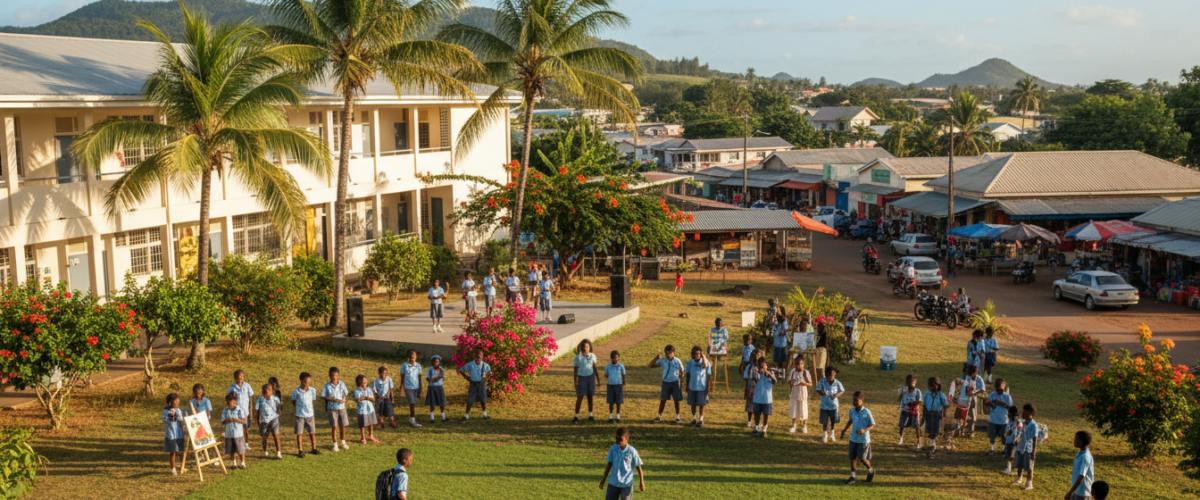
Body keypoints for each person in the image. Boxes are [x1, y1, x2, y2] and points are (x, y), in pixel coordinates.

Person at [840, 391, 876, 484]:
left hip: (863, 440)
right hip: (853, 438)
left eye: (856, 400)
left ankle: (871, 469)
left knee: (862, 458)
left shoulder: (867, 412)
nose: (854, 402)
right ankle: (853, 476)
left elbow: (872, 424)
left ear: (862, 400)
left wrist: (864, 430)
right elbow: (850, 420)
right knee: (852, 457)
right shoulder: (851, 411)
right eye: (853, 400)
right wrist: (844, 430)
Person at [599, 428, 645, 500]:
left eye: (620, 439)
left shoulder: (632, 451)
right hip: (613, 483)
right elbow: (609, 465)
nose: (618, 441)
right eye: (616, 439)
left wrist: (641, 482)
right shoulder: (613, 449)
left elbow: (638, 467)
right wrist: (603, 480)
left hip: (626, 485)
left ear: (627, 438)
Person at [649, 345, 685, 424]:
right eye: (667, 353)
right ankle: (659, 416)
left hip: (675, 382)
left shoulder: (677, 361)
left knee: (677, 400)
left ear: (673, 353)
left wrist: (681, 375)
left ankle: (678, 417)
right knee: (663, 400)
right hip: (666, 383)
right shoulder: (663, 361)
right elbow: (650, 365)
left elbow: (682, 371)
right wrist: (656, 357)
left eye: (670, 353)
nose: (668, 355)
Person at [291, 372, 320, 458]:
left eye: (308, 381)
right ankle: (300, 450)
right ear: (302, 381)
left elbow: (312, 400)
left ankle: (314, 448)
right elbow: (293, 400)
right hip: (300, 415)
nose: (307, 383)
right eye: (305, 381)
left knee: (312, 432)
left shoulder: (312, 390)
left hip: (310, 415)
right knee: (299, 433)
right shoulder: (297, 391)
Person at [321, 367, 349, 452]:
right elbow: (323, 395)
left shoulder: (342, 384)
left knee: (342, 425)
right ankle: (335, 444)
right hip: (332, 408)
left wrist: (344, 399)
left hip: (341, 408)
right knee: (334, 427)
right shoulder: (327, 386)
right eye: (333, 375)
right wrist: (333, 399)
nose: (335, 377)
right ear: (330, 376)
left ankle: (343, 442)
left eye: (336, 375)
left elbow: (345, 393)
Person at [684, 346, 713, 427]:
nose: (697, 355)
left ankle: (701, 419)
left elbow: (706, 367)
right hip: (692, 386)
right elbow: (688, 374)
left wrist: (704, 357)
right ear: (692, 354)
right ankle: (694, 419)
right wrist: (687, 386)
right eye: (695, 353)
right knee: (692, 403)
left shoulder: (704, 361)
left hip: (702, 386)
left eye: (699, 353)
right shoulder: (690, 363)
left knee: (702, 403)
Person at [1012, 404, 1039, 491]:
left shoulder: (1033, 425)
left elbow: (1035, 439)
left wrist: (1033, 452)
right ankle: (1019, 478)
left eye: (1023, 412)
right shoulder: (1023, 422)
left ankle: (1029, 483)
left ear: (1029, 413)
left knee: (1029, 467)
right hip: (1021, 446)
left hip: (1028, 448)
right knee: (1020, 464)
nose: (1022, 413)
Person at [459, 351, 492, 420]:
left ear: (482, 357)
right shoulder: (470, 365)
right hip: (473, 384)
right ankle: (466, 415)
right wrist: (467, 377)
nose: (479, 358)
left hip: (482, 384)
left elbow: (489, 372)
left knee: (483, 400)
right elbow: (461, 370)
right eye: (478, 356)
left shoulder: (485, 365)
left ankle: (485, 414)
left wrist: (486, 376)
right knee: (470, 400)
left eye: (481, 356)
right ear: (475, 357)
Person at [227, 370, 255, 451]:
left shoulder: (247, 386)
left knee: (245, 428)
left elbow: (250, 398)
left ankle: (246, 444)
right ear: (235, 378)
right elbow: (228, 398)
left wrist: (251, 409)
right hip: (236, 412)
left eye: (242, 376)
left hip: (245, 412)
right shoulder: (232, 387)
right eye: (240, 376)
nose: (242, 378)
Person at [749, 357, 777, 437]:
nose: (764, 368)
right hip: (757, 398)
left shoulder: (770, 373)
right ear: (758, 367)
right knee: (757, 414)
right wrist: (759, 373)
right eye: (762, 367)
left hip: (767, 399)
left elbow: (774, 381)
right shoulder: (756, 373)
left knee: (766, 414)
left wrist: (769, 375)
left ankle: (764, 428)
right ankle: (756, 427)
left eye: (765, 366)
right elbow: (755, 379)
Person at [817, 366, 845, 443]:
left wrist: (836, 396)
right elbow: (818, 389)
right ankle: (825, 434)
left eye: (832, 374)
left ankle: (832, 433)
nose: (830, 377)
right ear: (826, 374)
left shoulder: (837, 383)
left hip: (834, 405)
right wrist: (822, 393)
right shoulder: (822, 382)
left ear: (835, 374)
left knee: (833, 420)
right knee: (825, 420)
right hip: (824, 405)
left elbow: (842, 390)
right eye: (829, 375)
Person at [573, 339, 600, 423]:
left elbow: (595, 368)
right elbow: (575, 371)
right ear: (581, 348)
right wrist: (575, 381)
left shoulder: (592, 356)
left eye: (587, 347)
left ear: (589, 348)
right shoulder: (578, 358)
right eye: (584, 347)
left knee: (590, 396)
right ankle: (576, 416)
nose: (585, 349)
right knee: (580, 396)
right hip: (581, 378)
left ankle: (590, 415)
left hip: (590, 377)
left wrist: (598, 379)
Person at [254, 383, 282, 459]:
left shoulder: (275, 398)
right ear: (262, 391)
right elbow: (256, 410)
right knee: (264, 437)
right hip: (264, 421)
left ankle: (278, 453)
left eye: (269, 390)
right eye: (265, 390)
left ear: (272, 391)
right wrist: (256, 420)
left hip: (274, 419)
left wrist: (279, 410)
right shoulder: (260, 399)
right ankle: (264, 450)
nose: (267, 391)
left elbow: (279, 404)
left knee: (276, 436)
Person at [221, 392, 248, 469]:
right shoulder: (225, 410)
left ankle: (242, 462)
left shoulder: (240, 410)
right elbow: (222, 421)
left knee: (240, 449)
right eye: (230, 403)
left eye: (233, 402)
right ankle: (234, 463)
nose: (232, 404)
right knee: (231, 449)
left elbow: (244, 421)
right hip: (229, 433)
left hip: (238, 433)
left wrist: (236, 420)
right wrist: (228, 420)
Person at [957, 364, 985, 437]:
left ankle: (970, 430)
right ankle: (960, 430)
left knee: (972, 415)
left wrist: (974, 393)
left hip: (972, 399)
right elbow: (966, 391)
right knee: (963, 415)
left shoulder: (978, 379)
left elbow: (982, 390)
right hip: (964, 399)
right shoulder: (966, 378)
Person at [922, 377, 948, 457]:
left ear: (938, 385)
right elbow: (924, 403)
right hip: (928, 414)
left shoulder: (941, 394)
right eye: (930, 385)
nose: (932, 387)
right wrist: (924, 414)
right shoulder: (926, 393)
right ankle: (931, 445)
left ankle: (932, 444)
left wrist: (944, 413)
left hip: (937, 415)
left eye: (934, 385)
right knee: (930, 430)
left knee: (936, 431)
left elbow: (945, 405)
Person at [1065, 431, 1095, 500]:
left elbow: (1081, 477)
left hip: (1083, 492)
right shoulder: (1081, 453)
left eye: (1076, 439)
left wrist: (1070, 492)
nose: (1074, 441)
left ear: (1081, 442)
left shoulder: (1085, 457)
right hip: (1077, 490)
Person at [986, 379, 1013, 455]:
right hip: (993, 419)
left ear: (1004, 388)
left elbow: (1010, 407)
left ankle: (1005, 449)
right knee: (992, 435)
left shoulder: (1007, 397)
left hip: (1003, 420)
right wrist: (991, 403)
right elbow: (987, 403)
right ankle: (992, 448)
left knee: (1003, 436)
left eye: (1001, 389)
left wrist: (1000, 403)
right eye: (997, 389)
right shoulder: (992, 394)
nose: (999, 391)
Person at [787, 354, 812, 434]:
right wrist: (790, 391)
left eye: (801, 364)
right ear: (795, 364)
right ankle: (794, 424)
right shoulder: (793, 372)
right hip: (795, 392)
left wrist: (804, 383)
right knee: (794, 408)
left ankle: (804, 425)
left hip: (803, 392)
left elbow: (810, 383)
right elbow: (790, 382)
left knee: (803, 408)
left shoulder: (806, 372)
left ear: (803, 364)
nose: (799, 366)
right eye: (798, 364)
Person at [398, 350, 423, 428]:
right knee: (412, 403)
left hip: (415, 386)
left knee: (413, 403)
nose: (413, 359)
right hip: (408, 387)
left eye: (414, 357)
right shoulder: (405, 366)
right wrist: (401, 387)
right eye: (411, 357)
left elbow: (420, 377)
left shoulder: (418, 366)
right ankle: (413, 420)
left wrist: (420, 388)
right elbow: (402, 377)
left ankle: (412, 418)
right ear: (408, 358)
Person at [353, 374, 380, 444]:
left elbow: (373, 399)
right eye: (363, 380)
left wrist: (367, 398)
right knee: (362, 424)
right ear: (359, 382)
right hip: (362, 410)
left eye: (365, 380)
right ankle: (363, 437)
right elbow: (358, 399)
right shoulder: (357, 391)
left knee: (371, 422)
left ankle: (371, 435)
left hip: (370, 409)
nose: (365, 381)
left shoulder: (369, 389)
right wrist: (365, 398)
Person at [162, 393, 185, 475]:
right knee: (173, 451)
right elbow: (164, 420)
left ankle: (182, 466)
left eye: (178, 400)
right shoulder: (165, 410)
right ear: (170, 403)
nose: (178, 402)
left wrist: (175, 414)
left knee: (180, 449)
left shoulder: (178, 410)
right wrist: (170, 415)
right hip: (171, 434)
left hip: (178, 434)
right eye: (176, 401)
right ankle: (173, 468)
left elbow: (181, 418)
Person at [897, 374, 922, 447]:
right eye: (909, 382)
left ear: (915, 382)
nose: (911, 384)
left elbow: (919, 400)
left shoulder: (917, 391)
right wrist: (902, 405)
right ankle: (901, 439)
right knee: (902, 424)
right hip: (904, 410)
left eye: (913, 382)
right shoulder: (903, 390)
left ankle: (919, 442)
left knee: (917, 426)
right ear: (906, 382)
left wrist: (912, 403)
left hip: (914, 412)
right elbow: (899, 398)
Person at [605, 350, 626, 423]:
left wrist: (623, 382)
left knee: (618, 401)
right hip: (610, 385)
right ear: (611, 358)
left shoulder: (621, 366)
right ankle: (611, 416)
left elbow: (623, 375)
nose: (615, 359)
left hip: (618, 385)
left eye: (616, 357)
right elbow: (606, 375)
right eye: (614, 358)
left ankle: (618, 416)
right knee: (611, 401)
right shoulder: (608, 367)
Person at [742, 349, 762, 427]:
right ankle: (749, 420)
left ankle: (757, 421)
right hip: (751, 388)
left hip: (759, 389)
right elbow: (746, 378)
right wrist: (745, 390)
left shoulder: (762, 367)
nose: (756, 359)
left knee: (759, 405)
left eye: (757, 357)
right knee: (750, 406)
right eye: (754, 357)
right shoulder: (749, 367)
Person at [425, 355, 448, 422]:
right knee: (432, 403)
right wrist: (432, 380)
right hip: (432, 387)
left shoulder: (441, 369)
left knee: (442, 402)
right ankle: (432, 418)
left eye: (438, 362)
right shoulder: (430, 369)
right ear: (432, 363)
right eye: (435, 362)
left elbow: (443, 377)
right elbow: (427, 378)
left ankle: (443, 417)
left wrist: (438, 380)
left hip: (439, 387)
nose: (436, 363)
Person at [1002, 405, 1021, 475]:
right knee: (1009, 454)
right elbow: (1007, 430)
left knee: (1012, 455)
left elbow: (1019, 432)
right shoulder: (1009, 421)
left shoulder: (1018, 422)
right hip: (1009, 440)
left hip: (1014, 441)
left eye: (1009, 413)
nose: (1007, 414)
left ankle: (1009, 468)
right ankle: (1010, 467)